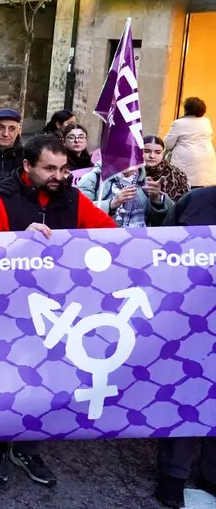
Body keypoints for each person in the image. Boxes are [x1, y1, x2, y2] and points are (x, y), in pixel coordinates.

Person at [0, 134, 116, 487]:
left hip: (55, 307)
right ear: (27, 167)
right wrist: (20, 238)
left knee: (43, 377)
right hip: (6, 307)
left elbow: (111, 235)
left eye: (64, 168)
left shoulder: (73, 197)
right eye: (49, 168)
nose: (59, 175)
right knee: (5, 378)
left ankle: (28, 444)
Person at [154, 186, 216, 508]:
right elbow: (161, 248)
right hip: (191, 320)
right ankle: (173, 476)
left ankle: (211, 475)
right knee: (188, 393)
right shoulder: (198, 200)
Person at [76, 159, 174, 228]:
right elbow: (78, 212)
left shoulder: (145, 181)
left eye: (136, 156)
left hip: (141, 242)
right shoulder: (93, 179)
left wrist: (157, 200)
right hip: (104, 242)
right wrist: (112, 204)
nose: (132, 161)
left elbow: (168, 220)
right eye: (126, 156)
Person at [164, 96, 216, 187]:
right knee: (202, 189)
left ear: (186, 109)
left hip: (186, 161)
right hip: (206, 159)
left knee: (185, 190)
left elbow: (167, 144)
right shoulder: (206, 122)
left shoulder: (179, 123)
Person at [143, 135, 191, 203]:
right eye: (147, 151)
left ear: (163, 153)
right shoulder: (130, 172)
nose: (152, 156)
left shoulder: (176, 175)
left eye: (158, 152)